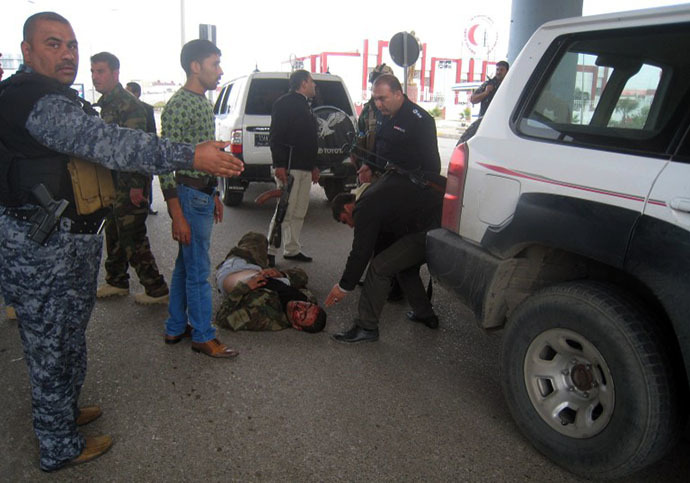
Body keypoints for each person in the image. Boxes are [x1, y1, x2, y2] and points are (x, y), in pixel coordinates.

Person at [0, 12, 243, 472]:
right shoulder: (34, 101)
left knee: (67, 339)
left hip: (61, 242)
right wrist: (188, 154)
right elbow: (111, 143)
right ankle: (58, 446)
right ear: (27, 51)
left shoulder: (51, 97)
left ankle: (65, 415)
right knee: (51, 346)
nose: (67, 53)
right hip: (41, 248)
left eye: (71, 44)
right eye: (52, 44)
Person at [160, 39, 238, 358]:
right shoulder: (180, 104)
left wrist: (215, 193)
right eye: (215, 64)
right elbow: (164, 163)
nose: (220, 71)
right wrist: (177, 214)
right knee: (197, 270)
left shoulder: (203, 102)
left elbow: (209, 155)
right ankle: (204, 335)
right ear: (195, 66)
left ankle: (176, 326)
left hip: (202, 194)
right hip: (188, 197)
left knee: (185, 264)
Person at [325, 172, 443, 343]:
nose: (350, 226)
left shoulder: (363, 207)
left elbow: (360, 251)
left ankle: (367, 327)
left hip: (428, 230)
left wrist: (344, 287)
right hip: (436, 223)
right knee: (399, 265)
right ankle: (424, 313)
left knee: (379, 269)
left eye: (345, 221)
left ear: (347, 208)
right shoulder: (372, 193)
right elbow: (381, 242)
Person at [91, 52, 168, 304]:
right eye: (92, 71)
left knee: (132, 234)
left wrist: (137, 185)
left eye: (100, 71)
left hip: (129, 182)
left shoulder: (128, 105)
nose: (95, 76)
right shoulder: (107, 104)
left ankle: (155, 287)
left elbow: (139, 149)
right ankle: (116, 281)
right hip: (112, 181)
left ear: (115, 73)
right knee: (113, 230)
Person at [214, 232, 326, 332]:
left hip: (232, 273)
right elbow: (302, 276)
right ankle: (258, 259)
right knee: (258, 237)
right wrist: (280, 274)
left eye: (302, 315)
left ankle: (233, 257)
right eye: (307, 306)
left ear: (297, 326)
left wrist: (245, 287)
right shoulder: (306, 298)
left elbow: (222, 319)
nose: (300, 306)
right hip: (259, 268)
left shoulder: (263, 318)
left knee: (245, 248)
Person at [266, 69, 320, 263]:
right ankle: (270, 251)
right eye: (312, 81)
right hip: (289, 167)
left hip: (305, 167)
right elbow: (276, 137)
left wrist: (314, 166)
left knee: (299, 211)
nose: (315, 85)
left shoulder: (307, 106)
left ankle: (292, 249)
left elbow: (309, 139)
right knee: (284, 211)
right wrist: (279, 165)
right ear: (303, 83)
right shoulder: (285, 103)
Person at [370, 74, 441, 175]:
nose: (378, 104)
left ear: (398, 95)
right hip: (381, 180)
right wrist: (368, 166)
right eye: (375, 99)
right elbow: (378, 144)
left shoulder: (421, 121)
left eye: (382, 99)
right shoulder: (382, 114)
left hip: (406, 186)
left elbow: (432, 166)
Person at [351, 63, 393, 190]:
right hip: (369, 170)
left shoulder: (400, 112)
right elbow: (359, 135)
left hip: (390, 173)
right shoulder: (368, 110)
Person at [125, 81, 158, 215]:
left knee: (147, 179)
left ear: (137, 93)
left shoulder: (147, 109)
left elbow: (152, 132)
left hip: (146, 150)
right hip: (129, 153)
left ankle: (147, 204)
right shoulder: (124, 108)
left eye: (129, 91)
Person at [459, 60, 509, 143]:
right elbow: (473, 99)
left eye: (501, 70)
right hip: (484, 120)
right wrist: (486, 92)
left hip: (501, 123)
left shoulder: (509, 85)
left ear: (507, 71)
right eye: (497, 69)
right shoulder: (488, 84)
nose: (499, 72)